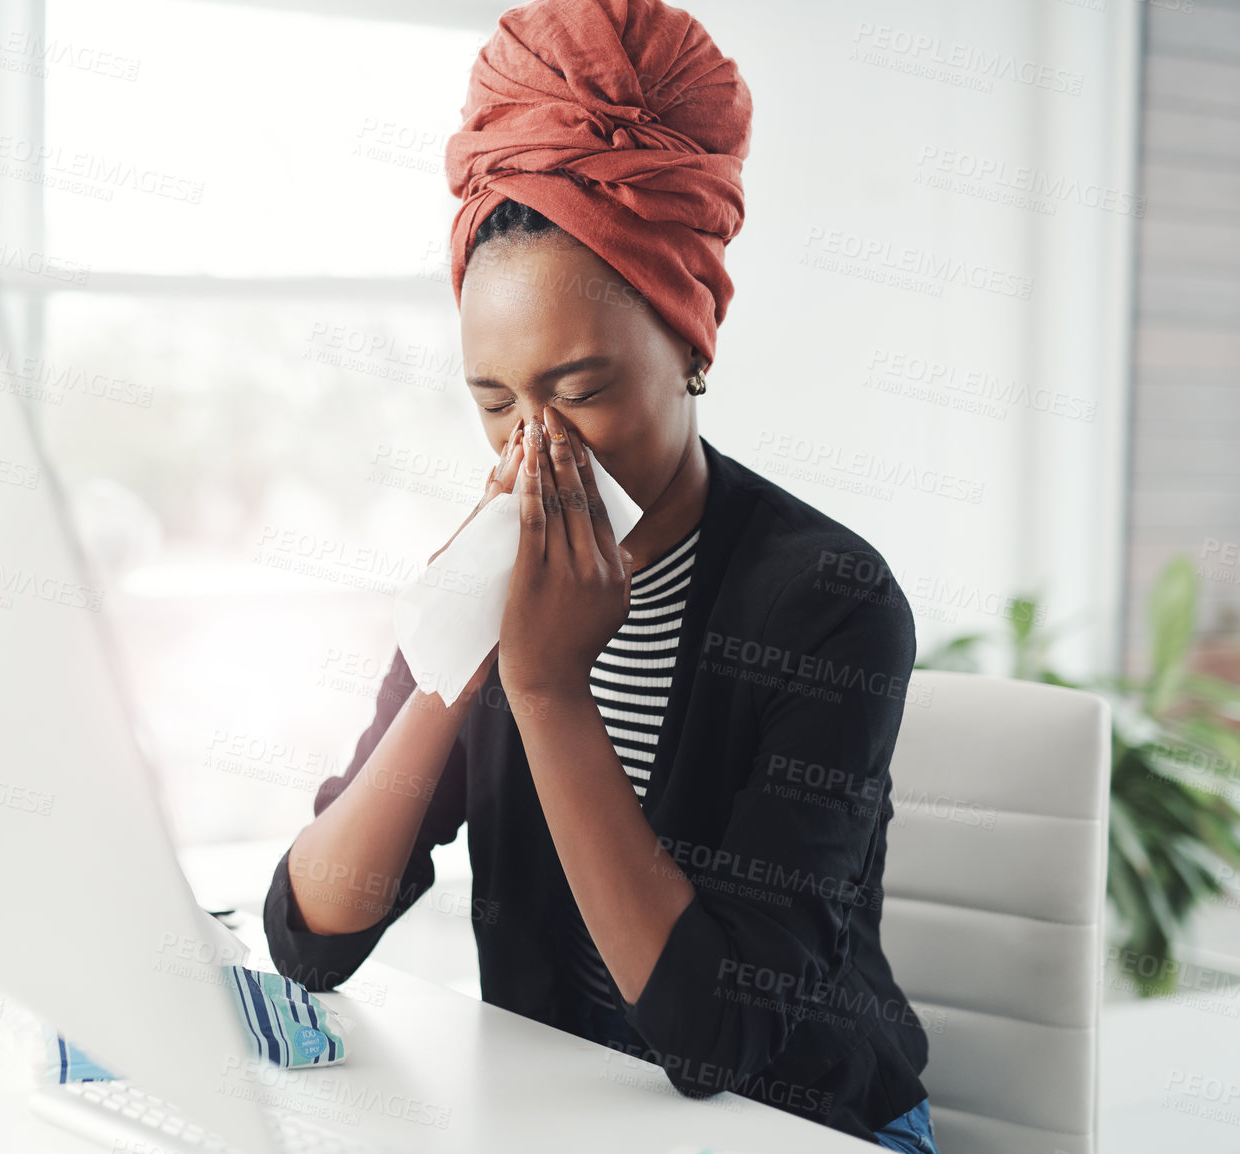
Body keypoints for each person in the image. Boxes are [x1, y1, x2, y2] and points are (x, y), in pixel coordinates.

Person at [264, 1, 936, 1149]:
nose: (537, 450)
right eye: (493, 403)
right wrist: (453, 655)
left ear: (690, 341)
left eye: (578, 390)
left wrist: (548, 688)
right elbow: (312, 936)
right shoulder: (491, 571)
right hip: (565, 1116)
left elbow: (715, 1037)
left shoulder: (829, 599)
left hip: (804, 1122)